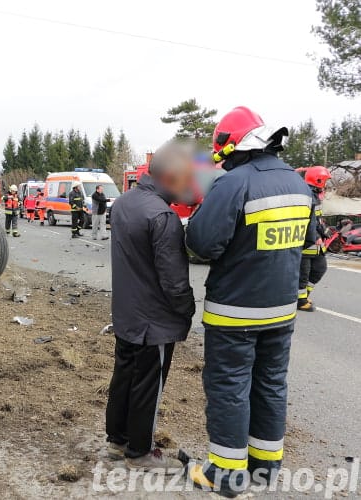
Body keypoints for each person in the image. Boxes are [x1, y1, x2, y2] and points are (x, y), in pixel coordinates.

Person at [186, 107, 316, 496]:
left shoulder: (233, 184)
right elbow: (310, 243)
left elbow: (202, 243)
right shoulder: (298, 183)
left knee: (229, 387)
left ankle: (225, 476)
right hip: (281, 311)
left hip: (234, 313)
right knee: (271, 383)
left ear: (232, 145)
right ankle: (265, 467)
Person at [106, 141, 196, 472]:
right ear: (170, 177)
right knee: (148, 385)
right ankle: (140, 452)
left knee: (125, 377)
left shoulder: (125, 202)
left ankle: (117, 441)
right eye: (185, 178)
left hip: (128, 314)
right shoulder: (162, 216)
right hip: (154, 322)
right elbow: (174, 283)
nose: (189, 185)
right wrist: (187, 310)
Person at [298, 166, 331, 312]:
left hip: (315, 241)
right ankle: (300, 300)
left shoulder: (315, 195)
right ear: (318, 180)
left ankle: (305, 294)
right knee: (303, 274)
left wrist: (324, 232)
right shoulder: (308, 195)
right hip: (306, 242)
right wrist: (316, 236)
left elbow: (317, 220)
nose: (326, 184)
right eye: (325, 181)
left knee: (320, 268)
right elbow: (308, 220)